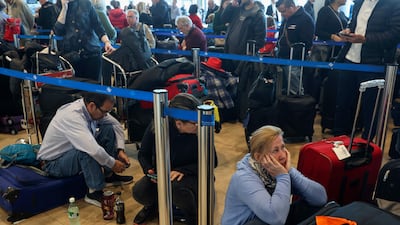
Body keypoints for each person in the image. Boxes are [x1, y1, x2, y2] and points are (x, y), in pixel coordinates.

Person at [132, 93, 218, 225]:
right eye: (194, 122)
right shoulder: (158, 127)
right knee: (139, 191)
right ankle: (153, 206)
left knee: (177, 190)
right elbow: (143, 154)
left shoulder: (201, 130)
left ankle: (193, 216)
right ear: (179, 123)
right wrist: (149, 169)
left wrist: (183, 170)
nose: (198, 125)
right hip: (164, 172)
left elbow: (213, 162)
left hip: (194, 173)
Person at [37, 92, 133, 207]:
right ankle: (94, 192)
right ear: (92, 106)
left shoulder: (90, 109)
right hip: (53, 164)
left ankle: (108, 177)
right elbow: (92, 149)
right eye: (104, 112)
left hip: (70, 153)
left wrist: (120, 150)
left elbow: (116, 124)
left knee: (108, 128)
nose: (106, 115)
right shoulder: (73, 116)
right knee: (86, 150)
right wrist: (113, 163)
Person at [221, 125, 327, 225]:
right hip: (251, 222)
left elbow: (320, 199)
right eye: (275, 150)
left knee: (311, 206)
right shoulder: (244, 178)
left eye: (283, 147)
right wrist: (283, 177)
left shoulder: (280, 169)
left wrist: (289, 172)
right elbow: (276, 219)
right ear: (258, 157)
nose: (282, 155)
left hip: (268, 218)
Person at [333, 0, 400, 140]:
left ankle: (366, 145)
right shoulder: (358, 2)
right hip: (349, 59)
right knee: (342, 103)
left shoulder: (394, 4)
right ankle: (338, 141)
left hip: (374, 62)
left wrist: (366, 39)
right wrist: (347, 31)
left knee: (371, 108)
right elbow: (354, 25)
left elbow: (394, 35)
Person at [54, 0, 114, 82]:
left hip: (92, 53)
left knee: (93, 87)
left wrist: (107, 42)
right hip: (71, 55)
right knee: (75, 89)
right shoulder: (58, 6)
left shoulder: (86, 3)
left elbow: (98, 26)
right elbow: (58, 31)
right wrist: (64, 9)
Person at [276, 0, 314, 95]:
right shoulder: (287, 18)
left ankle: (297, 109)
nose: (282, 14)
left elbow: (307, 43)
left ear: (292, 6)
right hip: (282, 58)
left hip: (295, 61)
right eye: (280, 12)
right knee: (284, 89)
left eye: (283, 11)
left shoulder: (306, 19)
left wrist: (295, 55)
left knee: (295, 91)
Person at [221, 0, 266, 71]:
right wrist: (231, 6)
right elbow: (223, 19)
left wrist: (249, 53)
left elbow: (260, 39)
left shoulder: (258, 14)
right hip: (229, 53)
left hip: (244, 59)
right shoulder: (236, 9)